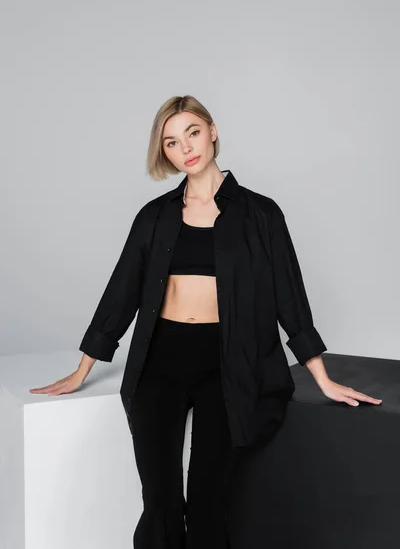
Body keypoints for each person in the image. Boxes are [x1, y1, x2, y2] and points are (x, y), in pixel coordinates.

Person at [30, 94, 382, 548]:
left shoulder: (261, 214)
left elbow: (290, 299)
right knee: (159, 500)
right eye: (172, 143)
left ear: (212, 131)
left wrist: (324, 378)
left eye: (192, 133)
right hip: (160, 360)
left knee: (207, 501)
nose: (186, 149)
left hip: (227, 363)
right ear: (165, 153)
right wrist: (81, 371)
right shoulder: (154, 217)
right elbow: (121, 294)